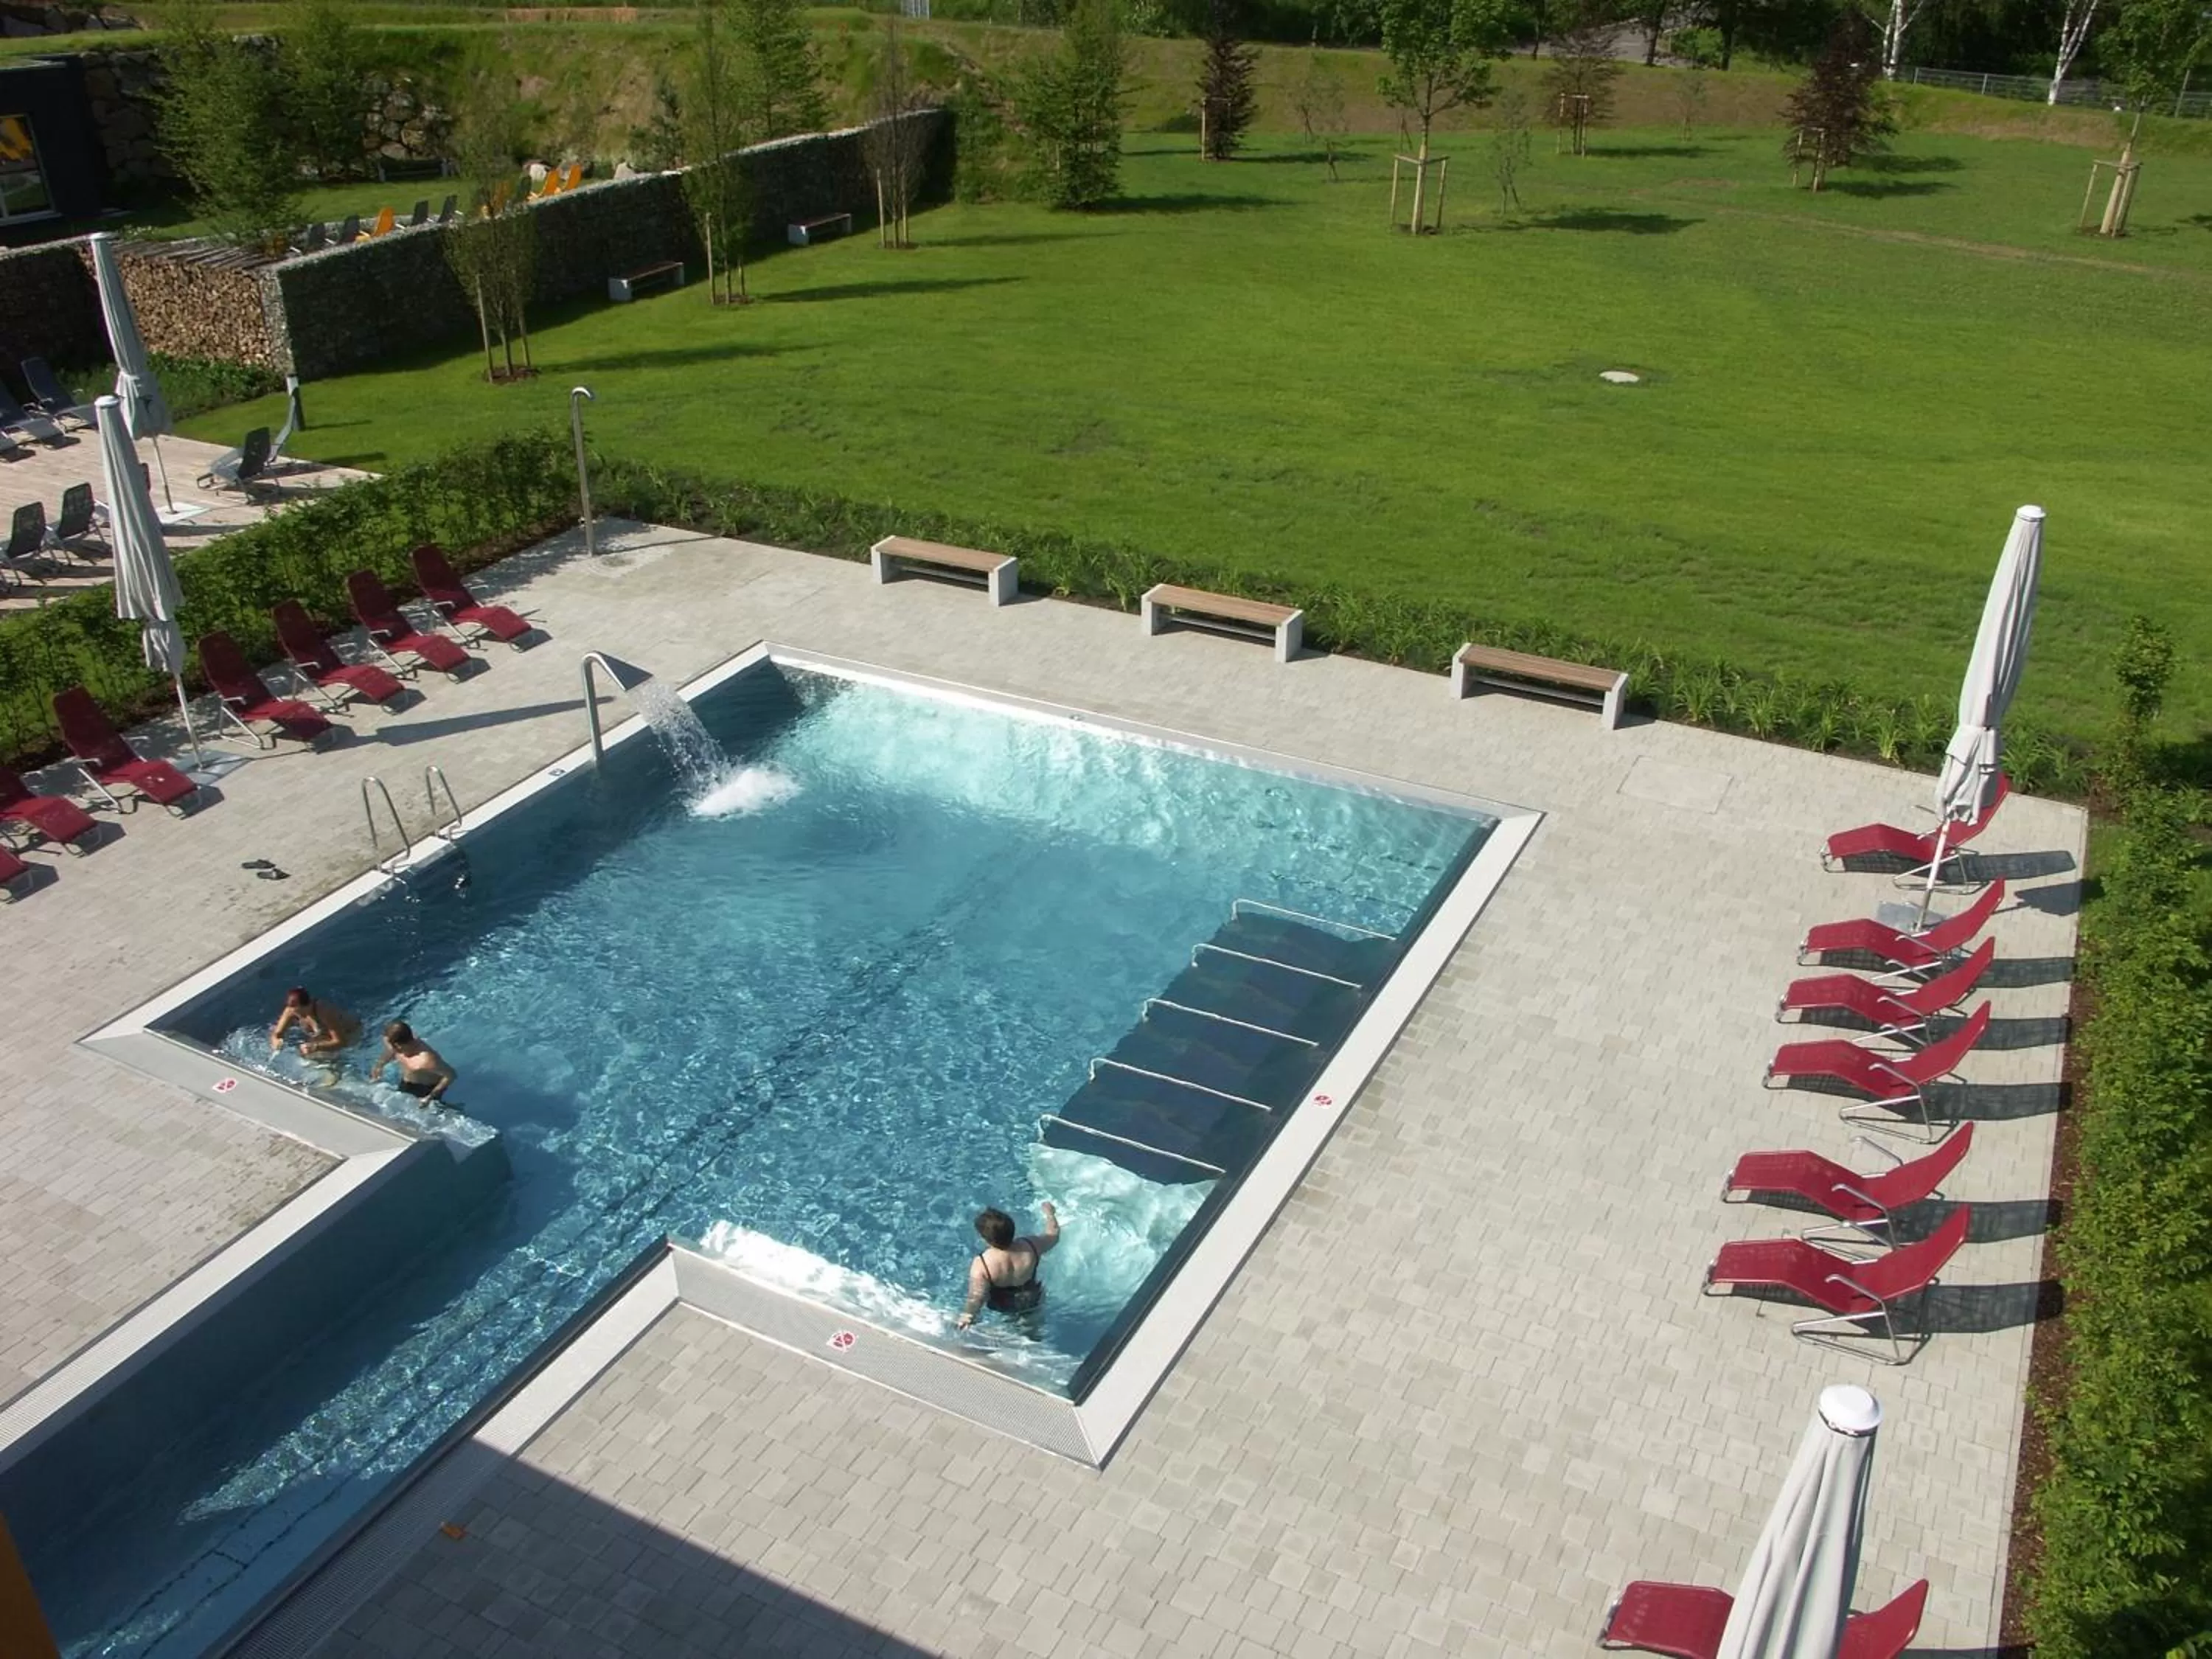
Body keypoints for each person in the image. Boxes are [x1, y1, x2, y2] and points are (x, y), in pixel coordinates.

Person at [956, 1203, 1058, 1329]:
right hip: (1032, 1297)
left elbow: (976, 1297)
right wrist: (1050, 1214)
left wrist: (968, 1315)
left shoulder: (982, 1264)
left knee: (1009, 1328)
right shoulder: (1031, 1246)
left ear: (985, 1239)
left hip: (1002, 1303)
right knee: (1032, 1328)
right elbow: (1053, 1235)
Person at [369, 1020, 456, 1105]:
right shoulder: (396, 1044)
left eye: (393, 1046)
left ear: (399, 1045)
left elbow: (451, 1075)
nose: (391, 1048)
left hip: (424, 1089)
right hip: (406, 1083)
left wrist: (430, 1097)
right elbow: (390, 1049)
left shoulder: (425, 1060)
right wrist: (379, 1065)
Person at [268, 987, 361, 1060]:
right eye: (290, 1007)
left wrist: (315, 1047)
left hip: (350, 1034)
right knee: (305, 1055)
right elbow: (277, 1033)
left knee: (322, 1057)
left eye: (294, 1008)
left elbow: (341, 1042)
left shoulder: (324, 1012)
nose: (291, 1011)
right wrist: (276, 1041)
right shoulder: (292, 1010)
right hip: (324, 1035)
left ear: (306, 1006)